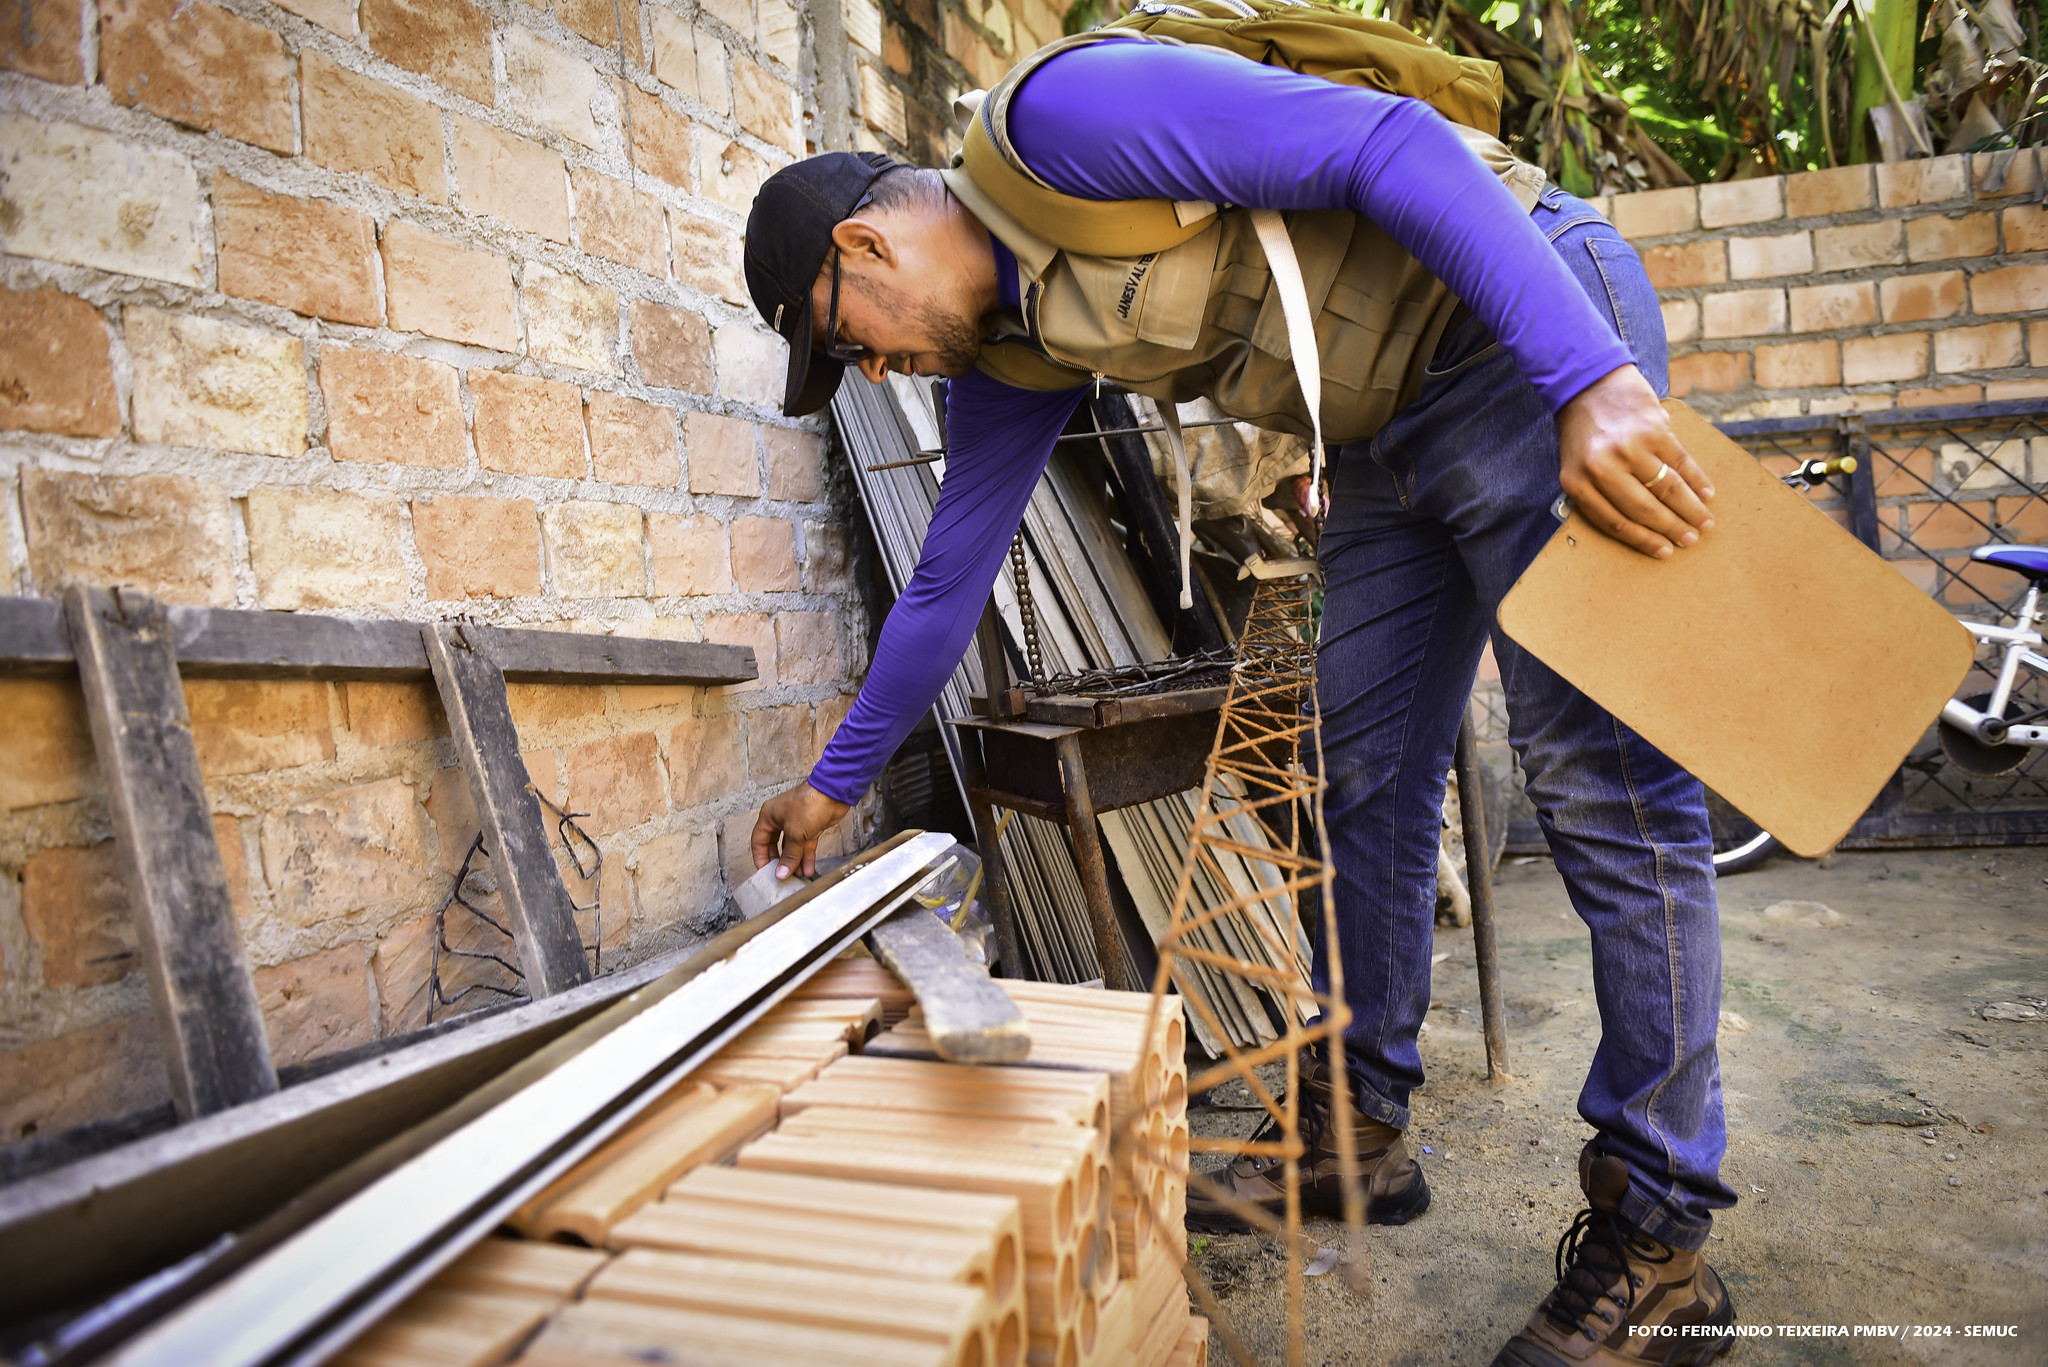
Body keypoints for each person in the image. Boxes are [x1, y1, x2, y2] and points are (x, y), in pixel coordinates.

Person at [741, 26, 1739, 1367]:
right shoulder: (1015, 349)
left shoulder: (1061, 119)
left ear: (862, 251)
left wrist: (1589, 378)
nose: (875, 374)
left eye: (845, 346)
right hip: (1387, 427)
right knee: (1367, 777)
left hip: (1523, 332)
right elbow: (944, 584)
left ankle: (1661, 1233)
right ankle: (1355, 1129)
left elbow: (1395, 149)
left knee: (1602, 783)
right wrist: (833, 783)